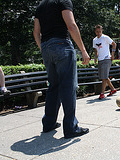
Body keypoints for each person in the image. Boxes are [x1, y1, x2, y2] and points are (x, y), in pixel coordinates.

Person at [33, 0, 90, 139]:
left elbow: (36, 32)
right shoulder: (63, 1)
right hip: (61, 44)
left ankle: (49, 123)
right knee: (68, 86)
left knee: (53, 86)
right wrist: (83, 50)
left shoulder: (41, 5)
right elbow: (71, 25)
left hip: (46, 47)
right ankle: (71, 128)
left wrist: (44, 49)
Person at [93, 25, 117, 100]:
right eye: (97, 32)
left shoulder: (105, 38)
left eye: (100, 31)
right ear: (95, 32)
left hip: (107, 59)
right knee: (104, 76)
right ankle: (113, 89)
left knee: (104, 77)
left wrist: (113, 55)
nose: (99, 33)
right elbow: (96, 50)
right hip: (100, 60)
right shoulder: (94, 40)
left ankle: (102, 93)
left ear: (102, 31)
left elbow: (114, 44)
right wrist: (95, 58)